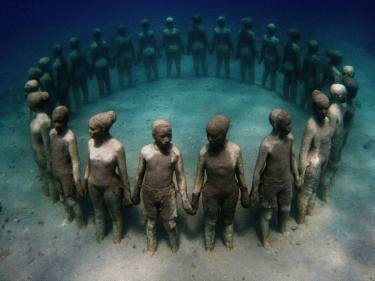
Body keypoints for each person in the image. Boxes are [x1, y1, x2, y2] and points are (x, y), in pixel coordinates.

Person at [132, 119, 193, 255]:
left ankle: (175, 248)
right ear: (154, 135)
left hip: (168, 193)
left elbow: (180, 177)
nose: (166, 140)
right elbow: (139, 174)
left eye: (169, 135)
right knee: (150, 224)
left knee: (170, 224)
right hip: (149, 192)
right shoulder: (145, 151)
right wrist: (136, 193)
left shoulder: (175, 152)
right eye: (162, 136)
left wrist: (184, 198)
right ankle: (151, 248)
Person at [191, 115, 250, 251]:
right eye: (208, 135)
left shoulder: (235, 150)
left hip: (231, 192)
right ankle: (209, 246)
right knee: (210, 222)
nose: (210, 139)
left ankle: (228, 242)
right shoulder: (204, 152)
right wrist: (195, 199)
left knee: (229, 220)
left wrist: (245, 193)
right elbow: (199, 178)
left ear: (224, 134)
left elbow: (241, 174)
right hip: (210, 193)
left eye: (214, 136)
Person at [249, 109, 299, 247]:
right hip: (269, 184)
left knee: (285, 208)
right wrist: (253, 191)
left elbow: (293, 159)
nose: (290, 127)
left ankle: (282, 229)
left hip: (286, 181)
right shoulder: (267, 144)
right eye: (287, 124)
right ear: (276, 126)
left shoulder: (290, 139)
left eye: (290, 124)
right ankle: (265, 239)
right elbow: (258, 169)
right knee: (267, 213)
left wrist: (297, 177)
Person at [83, 111, 132, 243]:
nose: (89, 131)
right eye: (89, 128)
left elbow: (123, 173)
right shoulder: (90, 144)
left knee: (115, 215)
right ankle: (99, 238)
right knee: (98, 213)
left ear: (103, 130)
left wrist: (127, 193)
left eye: (93, 129)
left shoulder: (117, 147)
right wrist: (84, 183)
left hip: (111, 187)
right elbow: (88, 166)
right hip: (93, 185)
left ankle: (116, 241)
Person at [296, 91, 334, 224]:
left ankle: (310, 211)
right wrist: (301, 173)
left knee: (314, 190)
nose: (324, 112)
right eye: (321, 109)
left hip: (322, 162)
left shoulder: (327, 120)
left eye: (326, 108)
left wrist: (326, 161)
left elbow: (327, 143)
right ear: (314, 109)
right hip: (312, 164)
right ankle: (300, 219)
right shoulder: (311, 125)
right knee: (306, 192)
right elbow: (303, 149)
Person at [50, 106, 86, 230]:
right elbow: (52, 152)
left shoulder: (69, 137)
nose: (56, 124)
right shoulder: (52, 133)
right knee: (61, 197)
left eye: (60, 121)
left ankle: (81, 222)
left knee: (71, 199)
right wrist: (51, 168)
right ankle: (67, 217)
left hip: (66, 172)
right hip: (56, 170)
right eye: (54, 121)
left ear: (66, 121)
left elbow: (75, 161)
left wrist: (77, 181)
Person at [28, 91, 59, 202]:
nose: (28, 106)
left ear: (33, 105)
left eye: (29, 103)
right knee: (44, 175)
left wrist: (49, 160)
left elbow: (47, 142)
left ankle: (54, 199)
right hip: (38, 153)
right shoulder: (36, 117)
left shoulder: (44, 120)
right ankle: (47, 194)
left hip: (42, 154)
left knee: (50, 177)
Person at [320, 84, 347, 202]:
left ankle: (326, 188)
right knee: (330, 168)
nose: (346, 96)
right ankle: (324, 194)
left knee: (334, 166)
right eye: (344, 94)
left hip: (337, 144)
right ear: (339, 95)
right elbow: (329, 132)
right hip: (334, 146)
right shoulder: (332, 111)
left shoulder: (337, 108)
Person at [89, 29, 114, 97]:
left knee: (100, 80)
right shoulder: (104, 43)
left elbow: (92, 58)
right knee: (107, 78)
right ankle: (109, 92)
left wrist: (91, 68)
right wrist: (111, 62)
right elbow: (108, 54)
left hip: (97, 65)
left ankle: (102, 94)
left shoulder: (92, 46)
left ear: (94, 36)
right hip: (105, 62)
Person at [68, 37, 91, 108]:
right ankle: (86, 101)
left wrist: (69, 77)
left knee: (76, 89)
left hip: (76, 75)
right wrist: (89, 71)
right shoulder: (82, 52)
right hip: (83, 72)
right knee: (84, 87)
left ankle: (78, 104)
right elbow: (86, 63)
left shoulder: (71, 55)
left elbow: (71, 68)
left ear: (72, 45)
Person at [236, 17, 259, 84]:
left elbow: (238, 44)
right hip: (250, 53)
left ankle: (243, 80)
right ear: (249, 24)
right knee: (251, 68)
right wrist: (257, 55)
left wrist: (237, 53)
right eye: (251, 23)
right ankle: (251, 82)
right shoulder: (251, 33)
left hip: (242, 52)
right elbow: (254, 45)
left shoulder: (240, 32)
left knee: (243, 68)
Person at [113, 25, 136, 90]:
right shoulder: (129, 38)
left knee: (121, 73)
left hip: (121, 58)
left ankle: (122, 87)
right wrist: (135, 59)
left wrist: (113, 60)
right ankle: (130, 84)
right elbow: (132, 49)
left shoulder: (117, 40)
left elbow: (116, 52)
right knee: (129, 71)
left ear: (119, 31)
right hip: (129, 56)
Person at [281, 29, 301, 103]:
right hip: (293, 68)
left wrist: (282, 65)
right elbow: (298, 62)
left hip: (286, 65)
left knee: (286, 82)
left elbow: (284, 56)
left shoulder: (287, 43)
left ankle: (285, 96)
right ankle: (292, 100)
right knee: (293, 85)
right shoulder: (296, 48)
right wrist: (299, 72)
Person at [258, 23, 281, 90]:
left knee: (266, 71)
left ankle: (263, 84)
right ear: (274, 30)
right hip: (273, 59)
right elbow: (278, 53)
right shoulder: (276, 41)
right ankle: (272, 88)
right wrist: (279, 63)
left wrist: (261, 57)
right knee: (273, 74)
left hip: (266, 57)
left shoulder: (265, 37)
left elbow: (262, 49)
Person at [137, 19, 160, 83]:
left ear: (142, 25)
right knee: (154, 65)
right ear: (148, 25)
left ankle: (149, 79)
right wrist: (158, 52)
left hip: (144, 51)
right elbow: (155, 44)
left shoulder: (140, 35)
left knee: (147, 66)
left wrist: (138, 56)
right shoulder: (152, 32)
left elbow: (139, 47)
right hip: (152, 50)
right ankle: (157, 77)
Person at [300, 40, 321, 110]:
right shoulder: (316, 60)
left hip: (306, 78)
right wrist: (318, 83)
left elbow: (303, 68)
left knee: (305, 93)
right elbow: (317, 73)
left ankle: (301, 106)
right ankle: (308, 109)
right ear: (317, 49)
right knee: (311, 96)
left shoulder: (307, 56)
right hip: (312, 81)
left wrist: (302, 76)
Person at [341, 75, 359, 147]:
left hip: (346, 128)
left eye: (356, 91)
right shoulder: (343, 104)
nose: (355, 94)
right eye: (353, 92)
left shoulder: (352, 102)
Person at [52, 44, 71, 109]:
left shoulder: (55, 64)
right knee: (67, 98)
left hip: (60, 84)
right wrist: (68, 81)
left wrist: (56, 88)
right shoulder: (63, 60)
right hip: (65, 82)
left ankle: (65, 114)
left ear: (54, 52)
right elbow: (67, 72)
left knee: (62, 100)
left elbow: (55, 78)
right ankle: (69, 111)